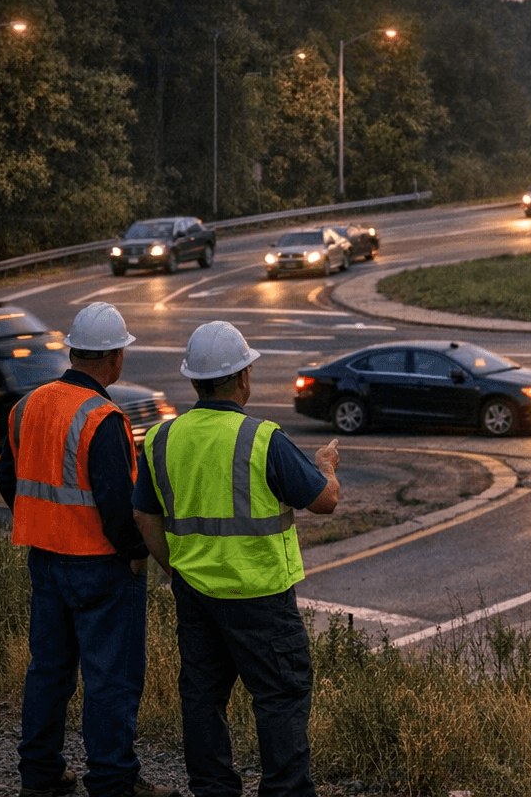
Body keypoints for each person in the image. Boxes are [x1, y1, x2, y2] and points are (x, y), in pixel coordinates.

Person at [133, 320, 340, 797]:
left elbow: (146, 520)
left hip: (196, 597)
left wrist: (179, 570)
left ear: (194, 381)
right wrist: (325, 465)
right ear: (243, 377)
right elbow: (324, 501)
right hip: (261, 595)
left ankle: (213, 789)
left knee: (203, 697)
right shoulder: (261, 438)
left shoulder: (163, 439)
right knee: (280, 697)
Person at [0, 302, 178, 797]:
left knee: (49, 670)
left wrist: (45, 524)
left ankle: (40, 774)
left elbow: (7, 482)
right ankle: (114, 780)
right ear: (115, 358)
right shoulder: (103, 417)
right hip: (100, 568)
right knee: (111, 679)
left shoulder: (26, 406)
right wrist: (135, 553)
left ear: (74, 351)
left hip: (45, 560)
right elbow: (118, 506)